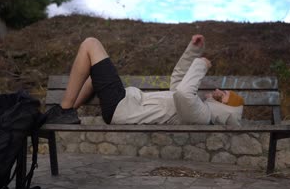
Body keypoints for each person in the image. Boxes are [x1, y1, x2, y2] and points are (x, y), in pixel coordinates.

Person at [45, 34, 244, 125]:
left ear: (227, 107)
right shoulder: (199, 108)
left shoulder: (202, 115)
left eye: (224, 95)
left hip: (123, 108)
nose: (219, 91)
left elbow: (184, 92)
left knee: (90, 44)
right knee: (92, 78)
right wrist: (194, 50)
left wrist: (201, 64)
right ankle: (66, 114)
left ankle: (63, 111)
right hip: (124, 105)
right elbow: (178, 82)